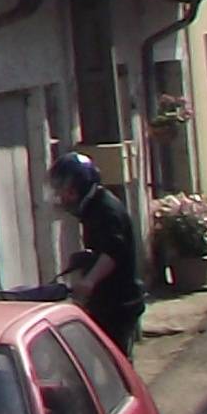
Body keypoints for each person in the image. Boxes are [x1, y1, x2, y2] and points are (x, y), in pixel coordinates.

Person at [49, 151, 147, 357]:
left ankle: (126, 389)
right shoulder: (92, 208)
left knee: (115, 362)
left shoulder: (106, 210)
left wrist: (89, 282)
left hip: (119, 303)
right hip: (105, 301)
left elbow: (113, 251)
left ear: (80, 185)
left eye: (66, 190)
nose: (62, 196)